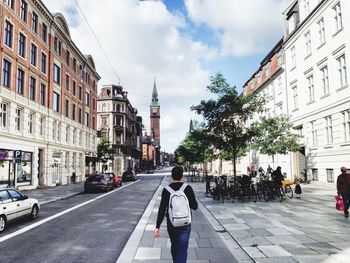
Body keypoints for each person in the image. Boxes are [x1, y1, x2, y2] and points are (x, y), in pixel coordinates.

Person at [154, 166, 198, 263]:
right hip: (185, 223)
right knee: (182, 249)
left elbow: (162, 209)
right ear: (182, 176)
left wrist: (157, 226)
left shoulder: (166, 190)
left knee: (174, 246)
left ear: (172, 176)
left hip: (172, 223)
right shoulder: (188, 188)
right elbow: (195, 206)